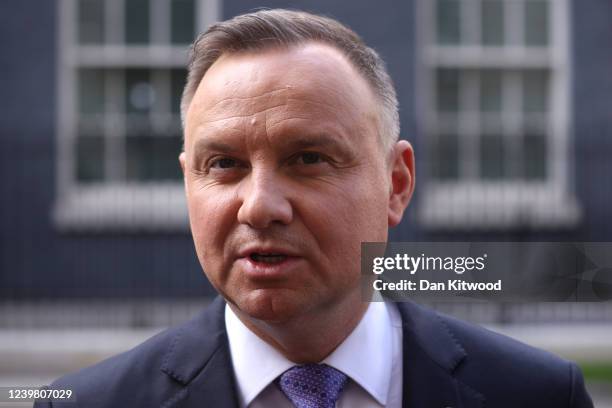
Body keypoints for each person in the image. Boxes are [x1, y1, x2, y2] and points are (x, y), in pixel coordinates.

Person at [36, 9, 593, 408]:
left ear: (396, 184)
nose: (259, 206)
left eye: (307, 158)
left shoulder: (539, 393)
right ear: (188, 183)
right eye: (224, 164)